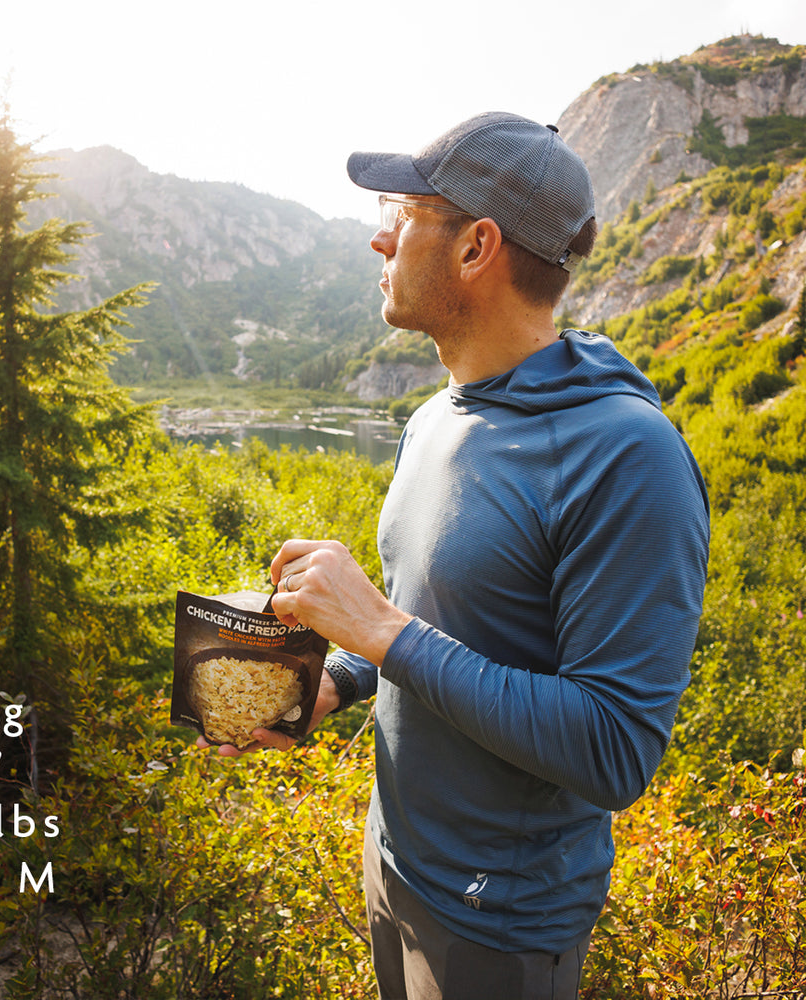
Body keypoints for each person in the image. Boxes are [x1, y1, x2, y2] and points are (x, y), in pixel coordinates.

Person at [201, 111, 710, 1000]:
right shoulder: (437, 417)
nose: (378, 237)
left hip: (503, 925)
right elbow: (446, 620)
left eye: (403, 212)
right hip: (394, 866)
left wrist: (379, 631)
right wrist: (340, 678)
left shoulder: (629, 456)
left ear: (477, 246)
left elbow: (616, 750)